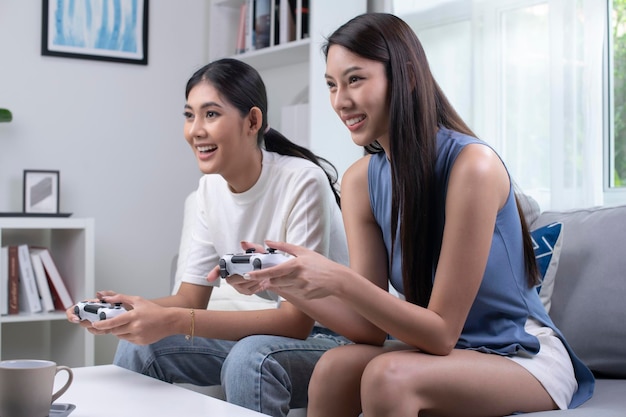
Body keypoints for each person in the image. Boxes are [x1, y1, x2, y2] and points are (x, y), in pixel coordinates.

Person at [230, 13, 595, 417]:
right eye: (332, 85)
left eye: (355, 80)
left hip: (519, 352)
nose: (340, 101)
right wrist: (287, 281)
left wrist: (337, 277)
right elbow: (367, 328)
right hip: (451, 349)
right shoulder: (360, 182)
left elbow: (440, 333)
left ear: (406, 75)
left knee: (388, 375)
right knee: (333, 366)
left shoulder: (473, 167)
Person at [66, 58, 350, 417]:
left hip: (332, 338)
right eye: (189, 115)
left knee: (251, 359)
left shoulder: (302, 181)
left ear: (252, 121)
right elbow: (190, 299)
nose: (196, 130)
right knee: (140, 346)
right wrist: (131, 311)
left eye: (211, 115)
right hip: (279, 338)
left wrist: (172, 320)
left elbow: (296, 322)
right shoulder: (207, 192)